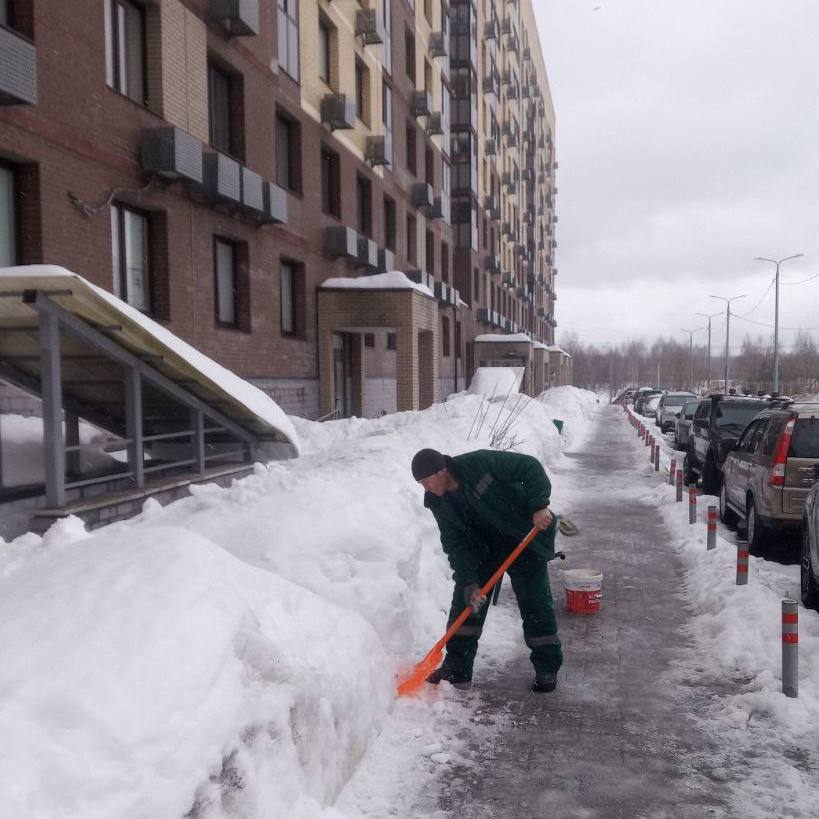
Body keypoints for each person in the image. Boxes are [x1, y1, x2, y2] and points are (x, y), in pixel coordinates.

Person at [411, 447, 562, 693]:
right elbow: (455, 544)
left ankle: (547, 667)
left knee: (535, 604)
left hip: (522, 536)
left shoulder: (478, 464)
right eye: (421, 484)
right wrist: (469, 581)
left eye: (426, 481)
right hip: (485, 550)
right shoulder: (438, 503)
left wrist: (539, 506)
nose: (425, 488)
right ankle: (457, 670)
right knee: (466, 604)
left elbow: (530, 467)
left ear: (442, 471)